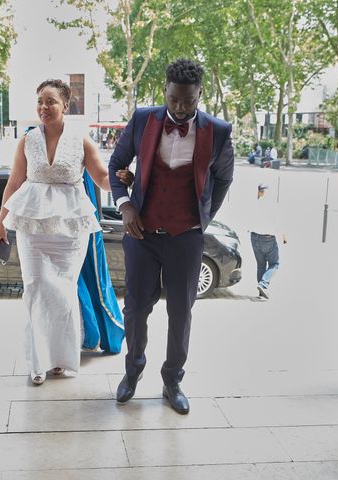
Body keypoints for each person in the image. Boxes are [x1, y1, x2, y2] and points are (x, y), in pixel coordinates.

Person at [108, 58, 234, 414]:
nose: (180, 108)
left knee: (181, 313)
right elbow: (116, 164)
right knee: (135, 309)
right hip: (142, 233)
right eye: (174, 99)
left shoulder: (219, 131)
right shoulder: (143, 120)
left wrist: (203, 219)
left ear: (199, 95)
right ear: (164, 90)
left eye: (189, 101)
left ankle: (172, 381)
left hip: (186, 237)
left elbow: (223, 180)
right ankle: (132, 373)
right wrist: (126, 206)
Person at [0, 79, 118, 385]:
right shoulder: (27, 140)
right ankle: (38, 362)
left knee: (63, 292)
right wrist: (1, 222)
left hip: (70, 226)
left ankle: (61, 359)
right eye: (40, 102)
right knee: (36, 288)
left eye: (50, 101)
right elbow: (14, 182)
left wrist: (125, 181)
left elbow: (102, 177)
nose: (43, 108)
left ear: (65, 105)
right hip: (31, 225)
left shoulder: (81, 139)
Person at [78, 170, 125, 353]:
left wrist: (119, 180)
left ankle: (95, 333)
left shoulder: (79, 143)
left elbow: (103, 178)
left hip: (80, 220)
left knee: (93, 278)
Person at [248, 183, 287, 299]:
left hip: (254, 237)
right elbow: (278, 222)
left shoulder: (255, 204)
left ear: (259, 192)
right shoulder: (272, 205)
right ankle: (263, 284)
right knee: (275, 264)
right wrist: (283, 237)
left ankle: (261, 293)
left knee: (261, 265)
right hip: (268, 239)